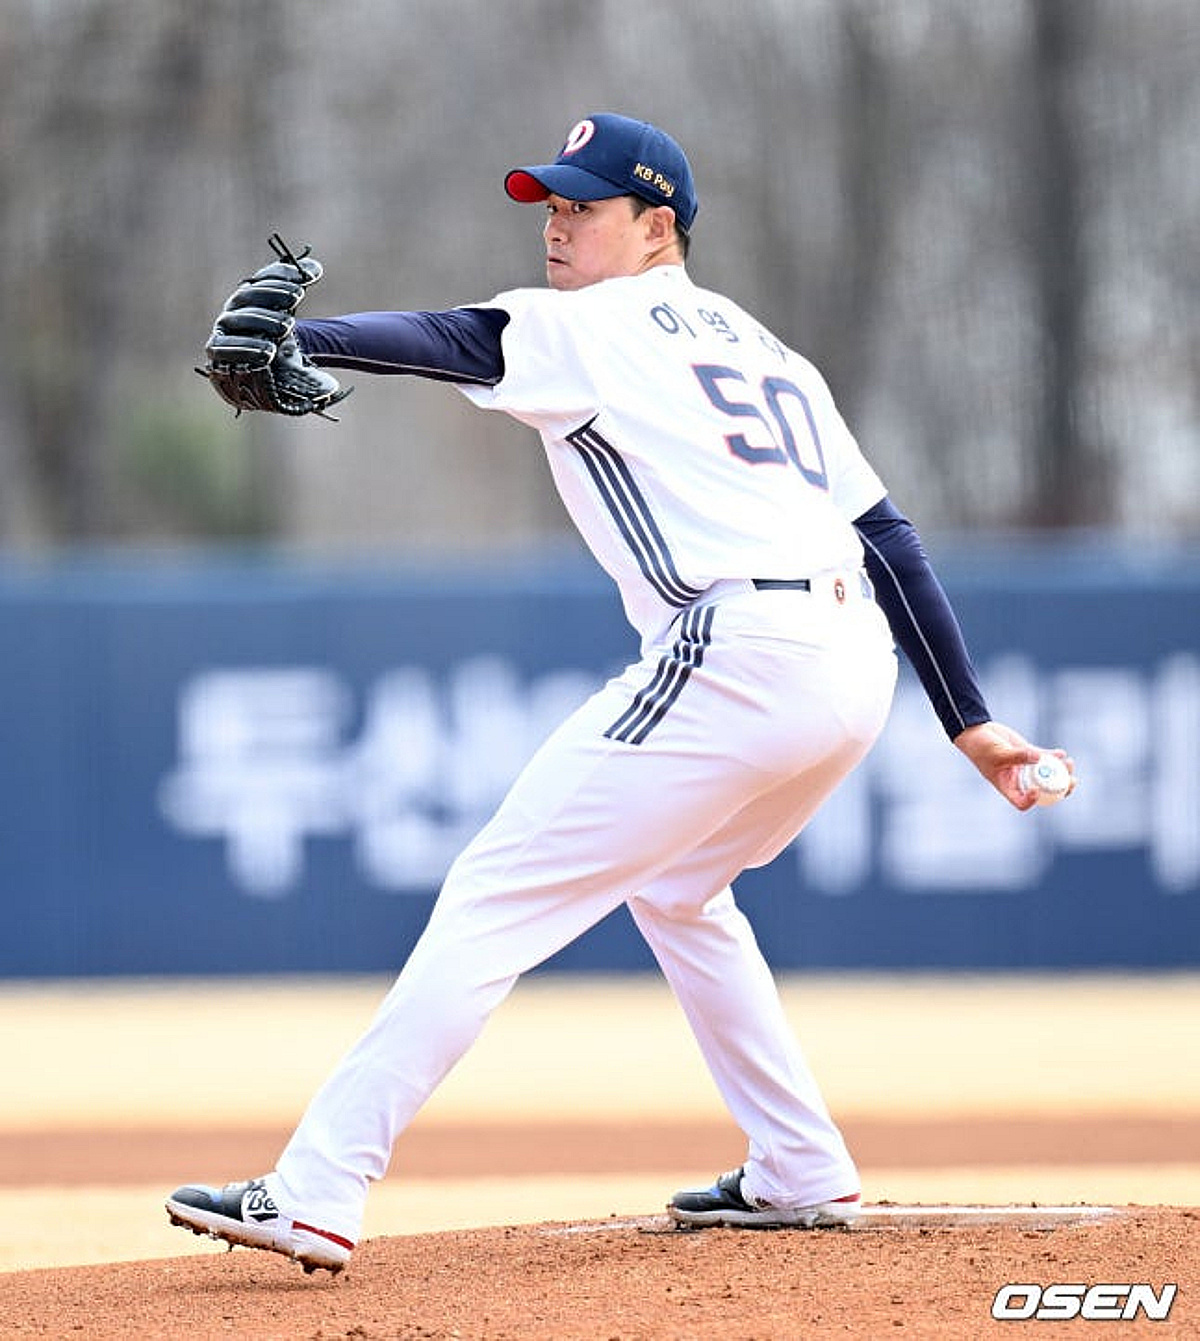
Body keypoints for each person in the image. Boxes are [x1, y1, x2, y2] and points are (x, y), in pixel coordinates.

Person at [167, 113, 1075, 1273]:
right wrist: (968, 718)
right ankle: (799, 1165)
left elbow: (456, 338)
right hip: (852, 663)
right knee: (682, 889)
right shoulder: (770, 353)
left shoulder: (593, 324)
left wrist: (310, 339)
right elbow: (886, 535)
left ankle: (313, 1190)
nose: (556, 225)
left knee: (494, 893)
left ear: (658, 228)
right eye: (550, 205)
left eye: (583, 207)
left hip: (739, 648)